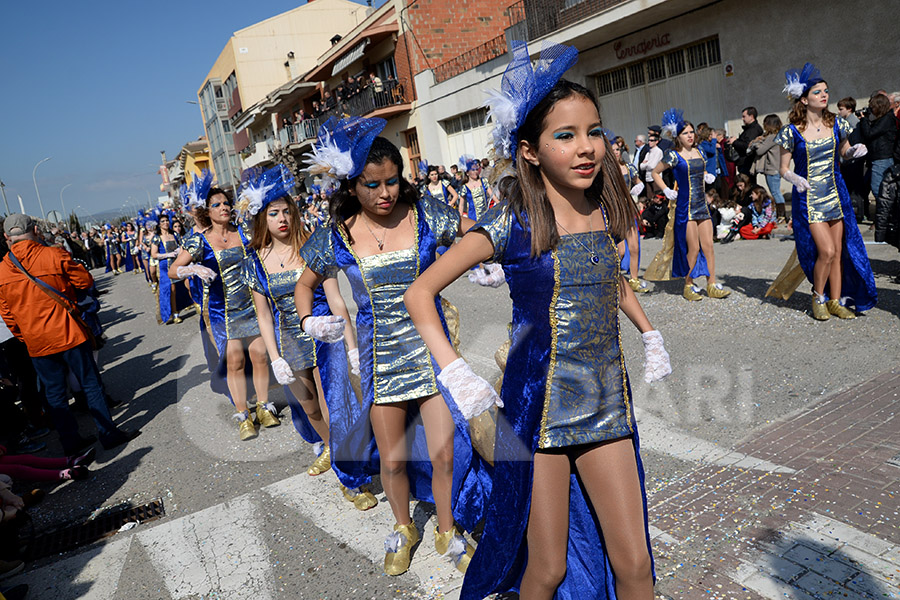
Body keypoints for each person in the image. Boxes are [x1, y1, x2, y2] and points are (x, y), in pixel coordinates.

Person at [406, 42, 669, 599]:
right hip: (535, 414)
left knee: (637, 566)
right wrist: (456, 372)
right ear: (528, 150)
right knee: (545, 570)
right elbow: (420, 292)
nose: (586, 148)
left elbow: (607, 277)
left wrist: (650, 333)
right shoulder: (511, 221)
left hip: (605, 405)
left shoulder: (603, 205)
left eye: (593, 131)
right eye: (565, 135)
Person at [297, 116, 490, 577]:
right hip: (382, 361)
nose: (385, 193)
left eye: (392, 181)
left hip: (432, 352)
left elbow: (474, 231)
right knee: (394, 457)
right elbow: (305, 285)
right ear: (352, 185)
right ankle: (404, 527)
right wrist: (309, 320)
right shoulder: (337, 235)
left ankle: (447, 530)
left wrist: (486, 263)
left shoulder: (427, 215)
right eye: (372, 185)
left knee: (445, 451)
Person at [240, 166, 375, 508]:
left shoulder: (313, 245)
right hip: (289, 342)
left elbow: (335, 298)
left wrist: (351, 346)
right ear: (262, 219)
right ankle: (334, 450)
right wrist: (275, 358)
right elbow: (264, 314)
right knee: (311, 408)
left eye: (287, 211)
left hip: (325, 336)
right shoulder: (254, 260)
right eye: (274, 213)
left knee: (335, 408)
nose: (282, 218)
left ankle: (351, 481)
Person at [0, 214, 140, 454]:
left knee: (54, 394)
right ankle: (108, 434)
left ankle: (71, 444)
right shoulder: (53, 254)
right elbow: (85, 280)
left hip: (37, 342)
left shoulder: (2, 270)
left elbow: (7, 314)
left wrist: (26, 337)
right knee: (90, 384)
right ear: (35, 230)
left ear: (6, 237)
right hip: (68, 333)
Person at [768, 62, 876, 320]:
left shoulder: (836, 123)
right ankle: (818, 297)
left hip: (835, 193)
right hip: (809, 197)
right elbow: (783, 168)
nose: (824, 95)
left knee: (839, 251)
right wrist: (794, 178)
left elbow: (843, 151)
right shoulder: (791, 131)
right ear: (804, 99)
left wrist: (852, 152)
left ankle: (836, 301)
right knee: (825, 251)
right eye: (818, 92)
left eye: (826, 91)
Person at [169, 187, 269, 440]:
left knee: (259, 356)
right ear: (207, 211)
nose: (224, 207)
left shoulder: (245, 231)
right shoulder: (199, 240)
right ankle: (243, 415)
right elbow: (173, 270)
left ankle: (264, 406)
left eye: (227, 203)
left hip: (253, 304)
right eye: (217, 205)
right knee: (234, 361)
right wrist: (192, 270)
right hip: (222, 310)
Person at [651, 109, 730, 301]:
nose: (690, 135)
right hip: (685, 207)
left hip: (702, 204)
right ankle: (688, 284)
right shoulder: (673, 155)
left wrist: (706, 175)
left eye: (692, 132)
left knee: (709, 245)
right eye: (685, 132)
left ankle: (711, 283)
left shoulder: (700, 151)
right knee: (693, 248)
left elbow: (698, 171)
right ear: (678, 136)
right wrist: (666, 189)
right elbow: (655, 172)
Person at [150, 213, 191, 324]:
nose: (166, 223)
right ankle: (174, 313)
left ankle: (195, 303)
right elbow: (154, 254)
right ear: (159, 224)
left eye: (167, 220)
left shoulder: (174, 234)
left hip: (178, 263)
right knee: (171, 289)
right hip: (165, 266)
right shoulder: (157, 238)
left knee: (187, 282)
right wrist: (168, 255)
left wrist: (179, 251)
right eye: (163, 221)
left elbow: (181, 246)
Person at [858, 93, 898, 200]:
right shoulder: (883, 119)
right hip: (878, 158)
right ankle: (886, 214)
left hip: (882, 158)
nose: (871, 110)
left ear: (879, 107)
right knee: (879, 189)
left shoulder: (887, 119)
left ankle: (887, 215)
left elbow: (869, 134)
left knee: (878, 189)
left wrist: (864, 119)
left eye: (873, 107)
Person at [750, 114, 788, 223]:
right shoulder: (779, 135)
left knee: (775, 192)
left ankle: (782, 215)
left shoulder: (772, 137)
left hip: (772, 168)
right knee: (775, 191)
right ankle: (780, 214)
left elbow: (760, 150)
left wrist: (757, 143)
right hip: (776, 167)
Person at [728, 106, 764, 180]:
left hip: (747, 162)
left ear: (751, 116)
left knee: (748, 185)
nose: (742, 119)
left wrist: (735, 142)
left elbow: (747, 146)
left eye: (744, 116)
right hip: (744, 162)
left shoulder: (753, 130)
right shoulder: (750, 129)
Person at [459, 155, 493, 221]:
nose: (476, 172)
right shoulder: (464, 187)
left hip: (486, 216)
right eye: (473, 170)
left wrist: (500, 205)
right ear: (467, 173)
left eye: (476, 169)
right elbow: (461, 205)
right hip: (473, 218)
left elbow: (492, 195)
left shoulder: (483, 181)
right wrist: (460, 219)